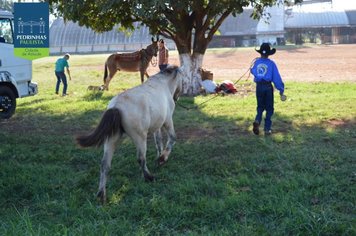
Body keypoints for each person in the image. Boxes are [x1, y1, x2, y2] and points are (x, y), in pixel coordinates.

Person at [250, 43, 285, 135]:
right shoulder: (271, 63)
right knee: (269, 108)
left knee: (260, 107)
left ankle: (257, 120)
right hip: (268, 87)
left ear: (260, 53)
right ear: (269, 54)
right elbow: (276, 78)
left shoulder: (257, 62)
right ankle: (267, 128)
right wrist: (281, 89)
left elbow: (252, 71)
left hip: (259, 87)